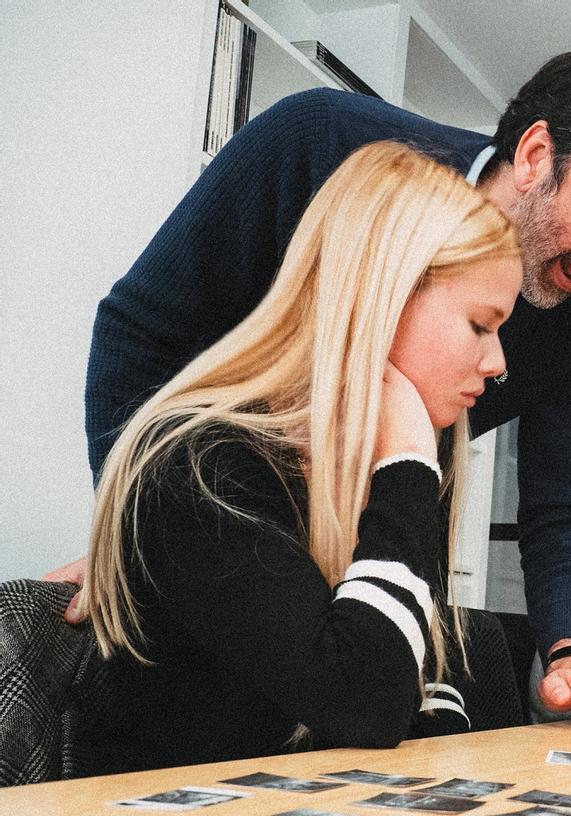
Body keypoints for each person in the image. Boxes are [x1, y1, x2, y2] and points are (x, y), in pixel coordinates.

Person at [51, 50, 571, 735]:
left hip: (361, 528)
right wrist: (135, 529)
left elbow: (563, 500)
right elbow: (143, 330)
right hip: (228, 506)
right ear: (537, 153)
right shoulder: (320, 143)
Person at [77, 143, 525, 774]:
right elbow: (363, 704)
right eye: (481, 324)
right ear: (382, 299)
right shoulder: (199, 466)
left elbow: (413, 681)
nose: (497, 362)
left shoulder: (372, 466)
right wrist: (408, 470)